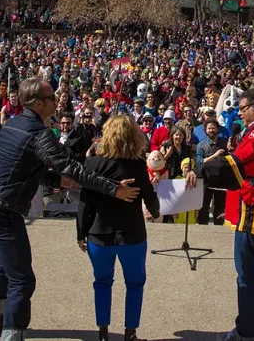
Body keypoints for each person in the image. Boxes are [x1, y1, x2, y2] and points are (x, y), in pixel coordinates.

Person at [0, 78, 139, 341]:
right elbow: (72, 168)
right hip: (2, 210)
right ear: (38, 103)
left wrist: (54, 180)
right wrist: (113, 188)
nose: (57, 102)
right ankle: (10, 335)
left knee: (9, 263)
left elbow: (25, 168)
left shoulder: (12, 124)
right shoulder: (40, 134)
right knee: (23, 280)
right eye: (51, 99)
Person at [186, 87, 254, 341]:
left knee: (247, 274)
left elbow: (238, 165)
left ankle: (244, 332)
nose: (240, 114)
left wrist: (200, 170)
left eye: (243, 109)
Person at [77, 115, 160, 341]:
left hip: (98, 235)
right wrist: (156, 211)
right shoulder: (137, 166)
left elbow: (85, 202)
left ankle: (103, 333)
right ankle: (130, 333)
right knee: (135, 284)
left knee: (102, 282)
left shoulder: (92, 163)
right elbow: (150, 197)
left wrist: (80, 234)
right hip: (131, 235)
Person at [195, 119, 227, 226]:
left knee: (220, 206)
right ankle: (203, 229)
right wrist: (214, 156)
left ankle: (219, 228)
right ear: (205, 130)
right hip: (206, 180)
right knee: (204, 206)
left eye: (213, 128)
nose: (211, 130)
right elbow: (199, 162)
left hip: (221, 179)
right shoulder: (201, 145)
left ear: (218, 129)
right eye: (209, 128)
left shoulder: (224, 143)